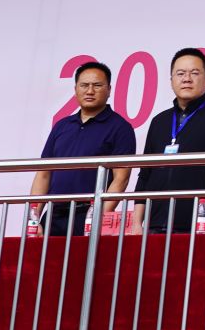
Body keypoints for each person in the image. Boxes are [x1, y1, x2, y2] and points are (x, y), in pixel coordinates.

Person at [133, 48, 205, 234]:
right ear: (171, 80)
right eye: (180, 73)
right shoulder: (159, 121)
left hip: (200, 224)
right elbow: (145, 174)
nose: (187, 79)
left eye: (194, 73)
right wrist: (136, 222)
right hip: (154, 224)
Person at [29, 60, 135, 236]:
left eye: (97, 85)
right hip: (54, 215)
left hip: (88, 215)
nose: (90, 91)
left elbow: (121, 179)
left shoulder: (120, 127)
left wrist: (99, 217)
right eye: (84, 85)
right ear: (76, 89)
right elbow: (43, 174)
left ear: (109, 90)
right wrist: (33, 218)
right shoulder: (62, 125)